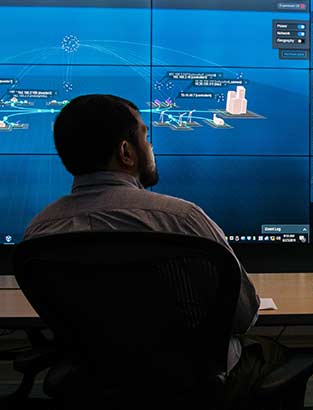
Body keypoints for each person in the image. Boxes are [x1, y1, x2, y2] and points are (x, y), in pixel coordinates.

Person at [24, 94, 284, 408]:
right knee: (273, 353)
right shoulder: (183, 219)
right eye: (146, 136)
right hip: (192, 384)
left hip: (96, 382)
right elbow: (243, 318)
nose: (151, 146)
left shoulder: (39, 232)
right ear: (126, 152)